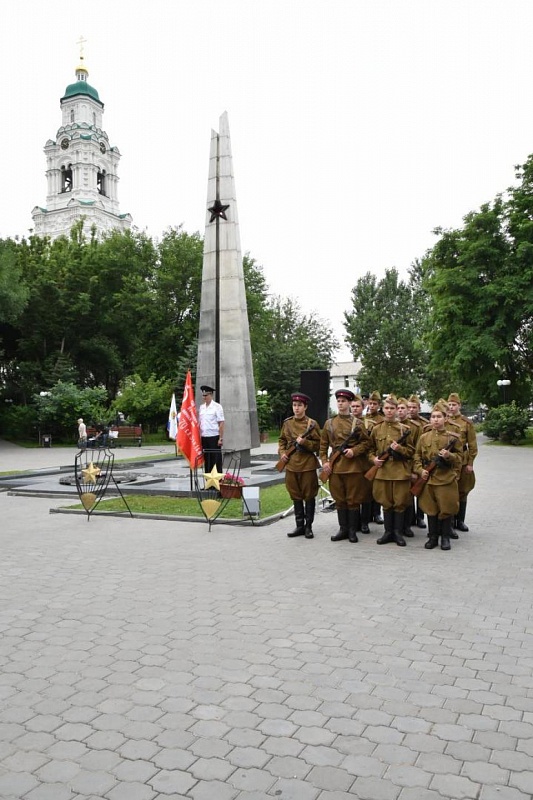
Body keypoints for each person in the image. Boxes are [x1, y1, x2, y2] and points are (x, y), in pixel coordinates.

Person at [320, 389, 371, 543]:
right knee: (339, 499)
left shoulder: (358, 423)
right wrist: (325, 462)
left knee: (353, 500)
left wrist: (354, 451)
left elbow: (366, 443)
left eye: (344, 401)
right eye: (339, 401)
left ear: (349, 403)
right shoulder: (329, 423)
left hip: (353, 467)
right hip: (335, 467)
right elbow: (323, 446)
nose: (341, 404)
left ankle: (352, 531)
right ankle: (343, 529)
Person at [413, 401, 463, 551]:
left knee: (446, 508)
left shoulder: (452, 438)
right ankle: (433, 537)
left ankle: (445, 538)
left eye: (439, 417)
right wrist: (420, 470)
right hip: (428, 479)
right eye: (433, 417)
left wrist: (449, 456)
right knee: (431, 509)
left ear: (446, 418)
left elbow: (460, 458)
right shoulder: (424, 437)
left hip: (445, 478)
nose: (435, 419)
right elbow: (417, 456)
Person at [368, 395, 414, 547]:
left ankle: (398, 533)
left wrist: (399, 448)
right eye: (387, 408)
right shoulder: (376, 429)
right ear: (383, 409)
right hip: (382, 472)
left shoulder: (404, 429)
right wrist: (374, 459)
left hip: (399, 472)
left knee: (400, 503)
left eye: (392, 408)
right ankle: (388, 533)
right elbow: (370, 450)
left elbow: (411, 452)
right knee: (386, 503)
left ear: (396, 410)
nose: (389, 411)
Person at [278, 392, 321, 539]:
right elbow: (282, 440)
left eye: (299, 405)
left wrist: (305, 443)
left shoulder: (312, 424)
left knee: (309, 495)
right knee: (295, 495)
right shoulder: (287, 423)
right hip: (291, 464)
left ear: (305, 407)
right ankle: (299, 526)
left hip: (307, 465)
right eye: (294, 405)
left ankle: (308, 527)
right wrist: (282, 453)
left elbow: (319, 445)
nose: (296, 408)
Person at [447, 392, 478, 533]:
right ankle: (450, 521)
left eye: (454, 404)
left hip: (463, 461)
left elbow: (472, 445)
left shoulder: (466, 423)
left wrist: (470, 463)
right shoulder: (444, 421)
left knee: (463, 490)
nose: (451, 407)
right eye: (449, 404)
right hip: (449, 461)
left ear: (459, 405)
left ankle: (460, 521)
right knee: (450, 491)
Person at [397, 397, 422, 538]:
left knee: (408, 497)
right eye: (398, 408)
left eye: (403, 408)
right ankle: (397, 526)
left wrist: (414, 470)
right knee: (398, 497)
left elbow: (417, 451)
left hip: (409, 466)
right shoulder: (391, 425)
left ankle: (407, 525)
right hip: (394, 468)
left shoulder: (415, 427)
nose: (400, 411)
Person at [365, 390, 385, 524]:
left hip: (377, 456)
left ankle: (377, 513)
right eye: (370, 403)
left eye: (374, 404)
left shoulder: (382, 420)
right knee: (366, 488)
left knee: (376, 487)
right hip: (365, 456)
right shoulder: (363, 418)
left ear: (379, 405)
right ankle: (366, 515)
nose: (372, 406)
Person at [407, 394, 427, 529]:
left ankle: (420, 517)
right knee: (408, 491)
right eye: (409, 407)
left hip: (420, 461)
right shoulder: (402, 423)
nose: (411, 410)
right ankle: (410, 518)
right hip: (406, 461)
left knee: (420, 490)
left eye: (414, 407)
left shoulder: (424, 424)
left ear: (419, 408)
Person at [199, 385, 225, 473]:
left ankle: (217, 480)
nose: (204, 397)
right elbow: (200, 423)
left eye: (206, 395)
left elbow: (221, 423)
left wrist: (220, 438)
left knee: (215, 459)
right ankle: (208, 480)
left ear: (211, 395)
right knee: (207, 460)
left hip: (214, 437)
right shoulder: (202, 407)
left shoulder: (217, 407)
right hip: (204, 437)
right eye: (203, 395)